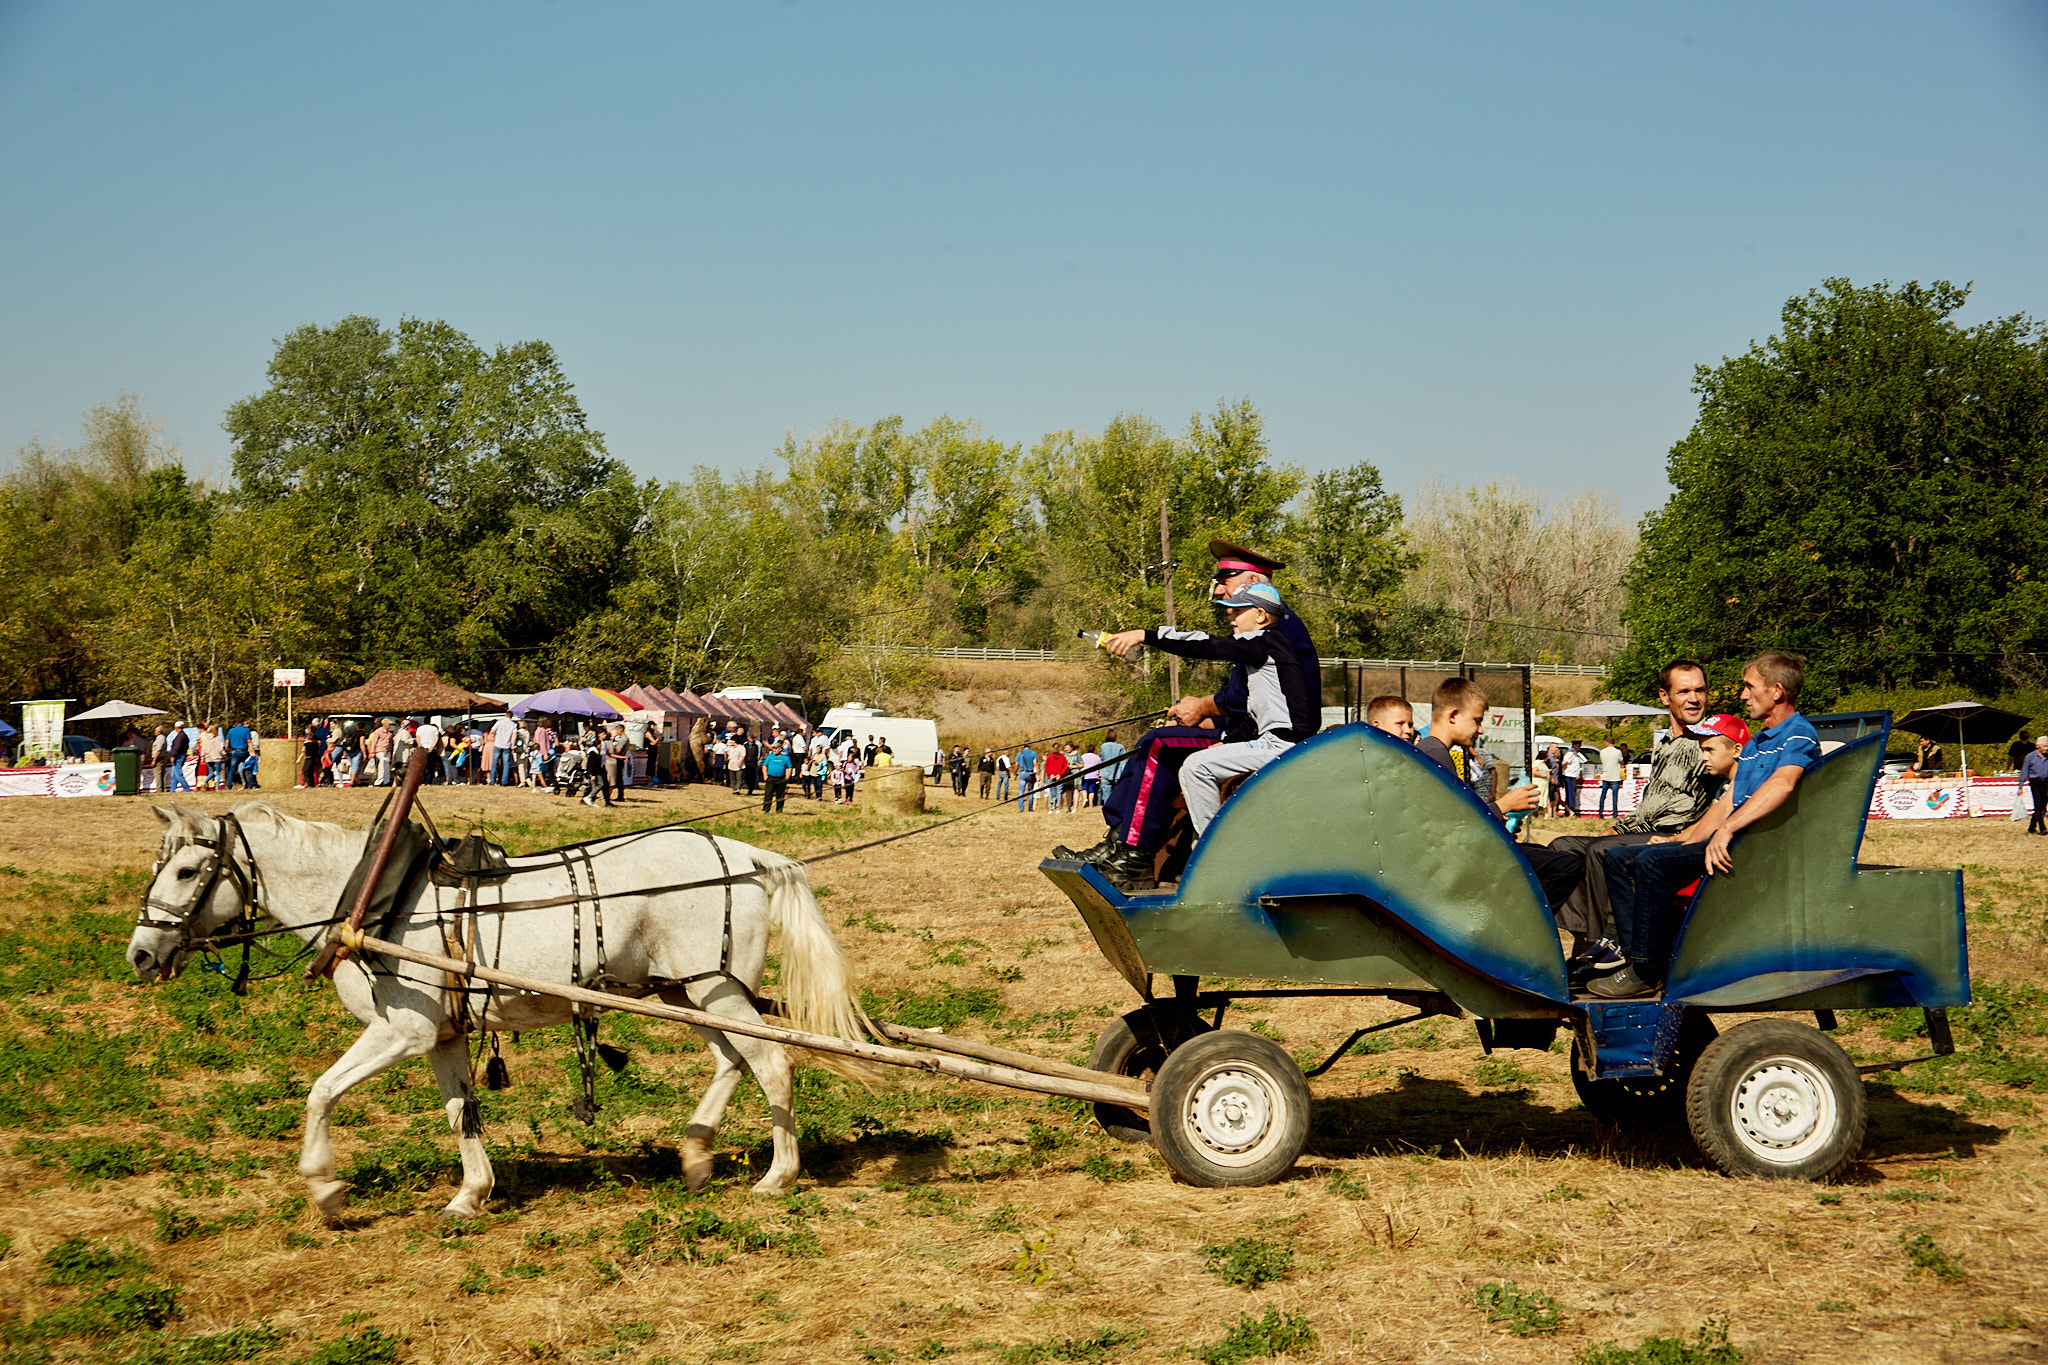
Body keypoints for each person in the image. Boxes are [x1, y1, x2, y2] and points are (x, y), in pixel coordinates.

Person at [1061, 540, 1322, 869]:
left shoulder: (1273, 632)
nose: (1221, 594)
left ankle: (1144, 852)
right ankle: (1119, 840)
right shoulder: (1263, 631)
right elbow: (1255, 702)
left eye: (1226, 582)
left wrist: (1147, 637)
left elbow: (1223, 669)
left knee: (1161, 744)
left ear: (1257, 600)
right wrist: (1209, 719)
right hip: (1255, 733)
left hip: (1275, 740)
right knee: (1157, 740)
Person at [1589, 652, 1821, 999]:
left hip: (1760, 849)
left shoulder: (1799, 734)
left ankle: (1647, 971)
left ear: (1776, 691)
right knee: (1618, 859)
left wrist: (1727, 829)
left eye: (1749, 687)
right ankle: (1638, 956)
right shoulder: (1758, 743)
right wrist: (1680, 844)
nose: (1743, 695)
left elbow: (1783, 784)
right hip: (1732, 844)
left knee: (1650, 863)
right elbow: (1724, 804)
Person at [1545, 659, 1730, 969]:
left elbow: (1700, 805)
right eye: (1684, 691)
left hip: (1675, 836)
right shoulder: (1666, 743)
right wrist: (1620, 827)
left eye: (1700, 690)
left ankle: (1607, 946)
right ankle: (1583, 937)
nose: (1694, 699)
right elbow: (1650, 805)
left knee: (1601, 850)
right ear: (1664, 696)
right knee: (1562, 848)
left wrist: (1631, 833)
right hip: (1644, 829)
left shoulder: (1709, 743)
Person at [1414, 678, 1583, 913]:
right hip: (1458, 871)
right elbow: (1451, 829)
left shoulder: (1433, 751)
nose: (1481, 729)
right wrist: (1503, 806)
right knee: (1568, 865)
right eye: (1477, 720)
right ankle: (1520, 926)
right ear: (1453, 715)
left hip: (1461, 862)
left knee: (1548, 854)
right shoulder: (1435, 755)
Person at [2022, 735, 2048, 836]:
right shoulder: (2030, 757)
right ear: (2038, 746)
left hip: (2045, 782)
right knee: (2038, 805)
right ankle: (2042, 828)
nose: (2046, 748)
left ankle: (2032, 827)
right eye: (2045, 746)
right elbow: (2024, 772)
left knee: (2042, 806)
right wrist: (2020, 786)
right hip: (2035, 782)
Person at [761, 741, 792, 813]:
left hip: (781, 779)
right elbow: (764, 766)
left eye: (776, 748)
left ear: (780, 749)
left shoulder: (786, 758)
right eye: (773, 748)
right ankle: (766, 809)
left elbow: (789, 767)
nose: (774, 750)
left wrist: (787, 777)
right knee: (768, 794)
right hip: (771, 778)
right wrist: (765, 775)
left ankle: (779, 810)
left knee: (780, 795)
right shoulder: (770, 757)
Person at [225, 718, 253, 790]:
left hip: (234, 752)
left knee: (232, 770)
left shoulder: (231, 731)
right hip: (244, 751)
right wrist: (253, 752)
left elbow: (227, 742)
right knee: (248, 768)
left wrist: (226, 751)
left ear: (236, 723)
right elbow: (249, 742)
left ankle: (229, 786)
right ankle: (251, 784)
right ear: (243, 722)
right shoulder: (246, 730)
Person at [1016, 743, 1038, 812]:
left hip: (1022, 773)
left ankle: (1021, 807)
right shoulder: (1033, 753)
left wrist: (1015, 773)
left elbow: (1016, 765)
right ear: (1030, 746)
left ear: (1023, 746)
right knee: (1030, 791)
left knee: (1021, 791)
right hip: (1030, 773)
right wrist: (1038, 774)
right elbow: (1035, 764)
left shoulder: (1020, 753)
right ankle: (1030, 808)